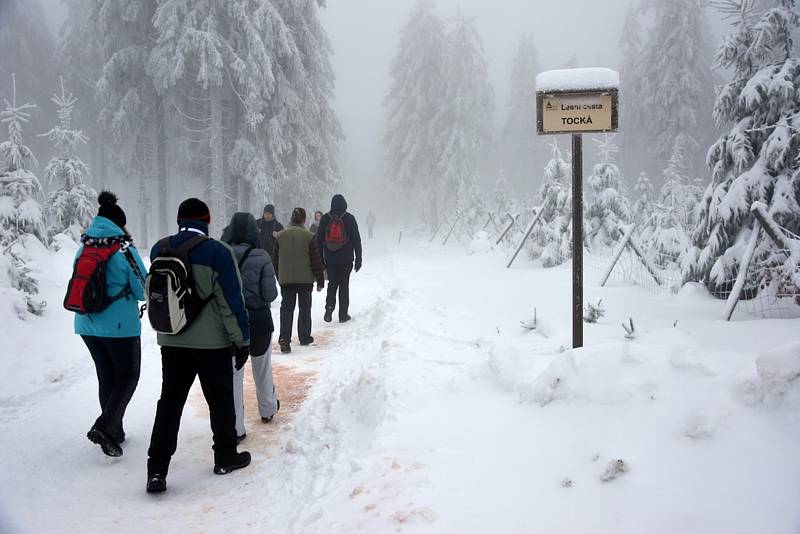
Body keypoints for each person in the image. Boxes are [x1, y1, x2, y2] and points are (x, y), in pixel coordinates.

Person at [145, 198, 251, 494]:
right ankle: (225, 456)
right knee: (219, 401)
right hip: (212, 345)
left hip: (172, 340)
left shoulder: (159, 249)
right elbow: (231, 304)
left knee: (170, 403)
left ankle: (157, 469)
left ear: (179, 220)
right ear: (207, 221)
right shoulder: (219, 252)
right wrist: (241, 340)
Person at [71, 191, 147, 458]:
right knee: (128, 376)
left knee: (108, 376)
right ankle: (105, 427)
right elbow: (143, 288)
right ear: (119, 224)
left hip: (86, 324)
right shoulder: (123, 250)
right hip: (119, 327)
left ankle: (116, 430)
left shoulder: (85, 247)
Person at [223, 212, 280, 443]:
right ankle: (267, 409)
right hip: (259, 321)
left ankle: (236, 427)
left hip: (230, 323)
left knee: (234, 376)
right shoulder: (262, 256)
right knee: (262, 368)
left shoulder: (221, 255)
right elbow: (270, 293)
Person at [274, 208, 325, 354]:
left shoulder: (280, 236)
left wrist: (279, 276)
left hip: (286, 280)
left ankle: (284, 338)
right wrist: (320, 280)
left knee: (287, 309)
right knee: (304, 308)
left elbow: (275, 258)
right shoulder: (309, 236)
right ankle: (304, 337)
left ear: (291, 218)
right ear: (303, 220)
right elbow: (315, 260)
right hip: (305, 281)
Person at [316, 194, 362, 323]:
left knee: (332, 284)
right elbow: (357, 240)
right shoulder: (349, 218)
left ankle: (329, 308)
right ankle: (343, 315)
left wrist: (321, 259)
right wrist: (359, 259)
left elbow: (319, 240)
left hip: (330, 259)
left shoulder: (325, 219)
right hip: (346, 259)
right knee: (344, 285)